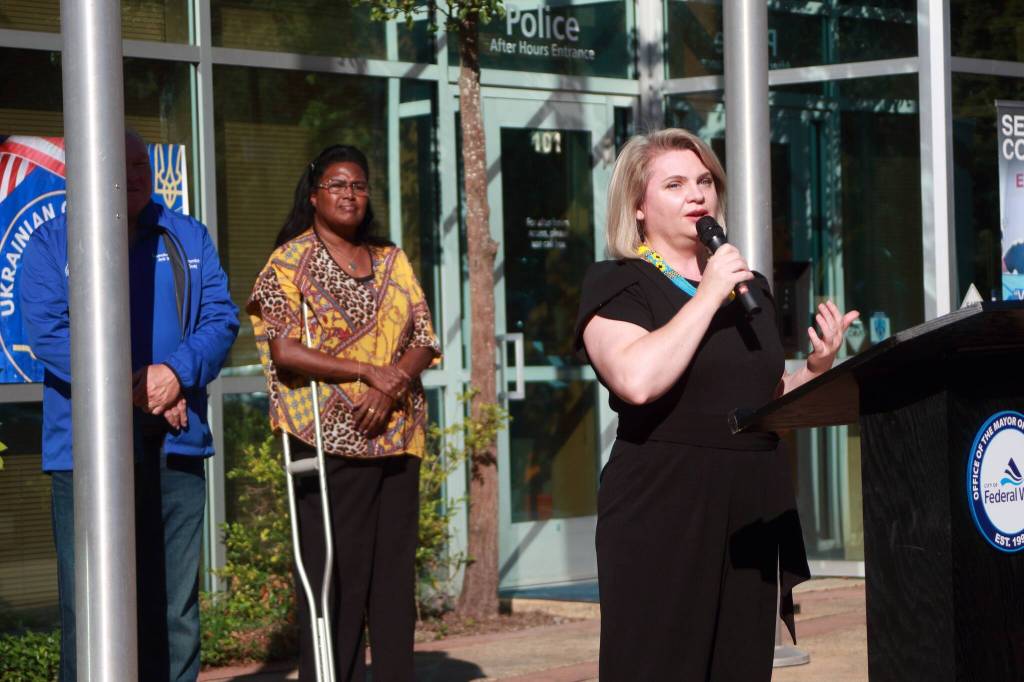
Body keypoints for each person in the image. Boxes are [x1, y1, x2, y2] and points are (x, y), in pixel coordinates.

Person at [574, 128, 859, 681]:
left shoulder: (746, 286)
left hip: (751, 511)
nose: (697, 195)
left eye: (704, 181)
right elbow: (636, 381)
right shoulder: (617, 285)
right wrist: (707, 295)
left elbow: (767, 400)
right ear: (637, 206)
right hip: (664, 509)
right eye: (676, 184)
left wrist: (816, 369)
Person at [20, 131, 239, 682]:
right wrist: (138, 387)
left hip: (176, 446)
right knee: (88, 606)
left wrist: (177, 372)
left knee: (174, 609)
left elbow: (221, 320)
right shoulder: (51, 243)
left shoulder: (186, 235)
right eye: (121, 165)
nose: (134, 174)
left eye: (141, 163)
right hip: (86, 450)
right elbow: (48, 333)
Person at [247, 144, 440, 682]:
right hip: (330, 438)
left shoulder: (391, 259)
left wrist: (391, 381)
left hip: (397, 434)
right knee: (342, 577)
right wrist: (365, 371)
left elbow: (424, 337)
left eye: (358, 185)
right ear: (313, 196)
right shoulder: (288, 262)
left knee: (394, 578)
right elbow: (284, 349)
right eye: (337, 184)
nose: (349, 194)